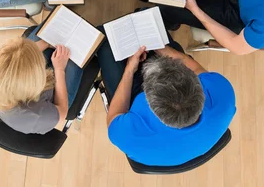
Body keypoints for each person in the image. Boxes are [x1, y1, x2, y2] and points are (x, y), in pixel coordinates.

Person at [96, 24, 236, 166]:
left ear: (148, 101)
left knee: (103, 41)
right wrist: (158, 46)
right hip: (185, 144)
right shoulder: (223, 95)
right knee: (147, 22)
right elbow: (195, 67)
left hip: (136, 106)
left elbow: (114, 116)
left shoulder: (129, 135)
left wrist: (130, 69)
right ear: (197, 84)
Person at [0, 26, 82, 135]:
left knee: (50, 29)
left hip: (25, 83)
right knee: (78, 44)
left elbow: (14, 60)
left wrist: (46, 43)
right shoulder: (36, 116)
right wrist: (59, 69)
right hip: (55, 99)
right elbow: (62, 112)